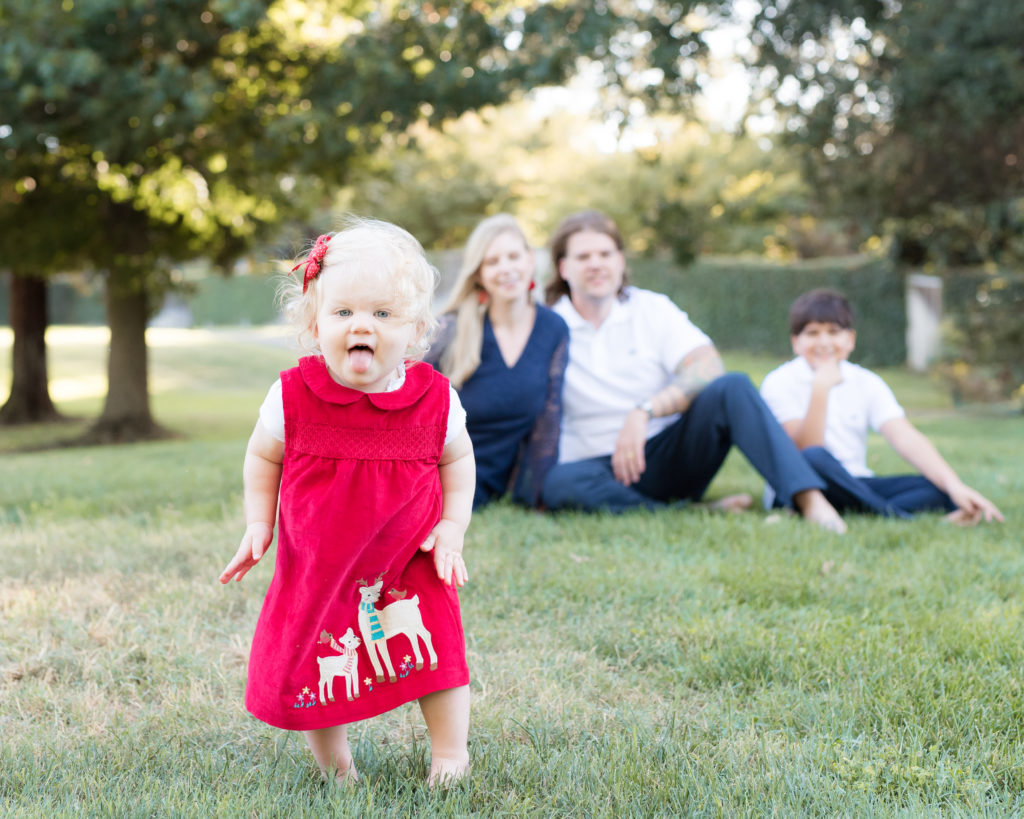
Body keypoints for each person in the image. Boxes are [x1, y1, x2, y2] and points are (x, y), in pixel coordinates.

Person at [219, 218, 475, 787]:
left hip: (410, 555)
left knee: (437, 649)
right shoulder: (290, 396)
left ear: (416, 330)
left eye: (383, 314)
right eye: (344, 313)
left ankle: (450, 754)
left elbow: (457, 461)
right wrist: (259, 522)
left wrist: (453, 525)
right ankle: (338, 769)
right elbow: (263, 457)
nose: (363, 325)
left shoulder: (434, 399)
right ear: (314, 324)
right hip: (323, 565)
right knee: (317, 662)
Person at [540, 209, 846, 532]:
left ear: (620, 260)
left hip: (666, 455)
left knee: (733, 386)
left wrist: (643, 411)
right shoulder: (547, 326)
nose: (596, 264)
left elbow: (708, 365)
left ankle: (809, 500)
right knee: (560, 483)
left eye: (605, 253)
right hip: (595, 471)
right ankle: (693, 510)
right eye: (583, 256)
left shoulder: (652, 309)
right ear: (563, 268)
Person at [759, 288, 1004, 524]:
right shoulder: (778, 382)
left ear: (850, 339)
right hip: (804, 485)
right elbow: (804, 451)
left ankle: (862, 508)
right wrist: (820, 388)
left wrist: (954, 486)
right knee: (814, 457)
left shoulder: (867, 382)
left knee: (936, 488)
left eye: (833, 331)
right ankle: (900, 519)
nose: (824, 341)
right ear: (795, 342)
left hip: (857, 482)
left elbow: (904, 435)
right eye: (812, 333)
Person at [426, 213, 568, 508]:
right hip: (434, 472)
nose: (506, 269)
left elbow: (548, 420)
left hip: (490, 483)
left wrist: (540, 494)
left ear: (530, 260)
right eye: (492, 262)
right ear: (478, 274)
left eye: (513, 256)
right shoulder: (450, 328)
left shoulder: (553, 329)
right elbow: (404, 388)